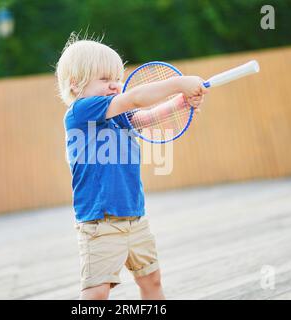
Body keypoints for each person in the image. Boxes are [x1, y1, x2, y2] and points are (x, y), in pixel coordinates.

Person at [56, 33, 207, 300]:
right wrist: (180, 83)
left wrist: (181, 101)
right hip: (100, 223)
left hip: (135, 216)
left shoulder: (118, 118)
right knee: (97, 293)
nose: (115, 85)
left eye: (117, 78)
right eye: (105, 79)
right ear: (75, 85)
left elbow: (148, 116)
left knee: (152, 280)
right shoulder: (81, 111)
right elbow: (136, 99)